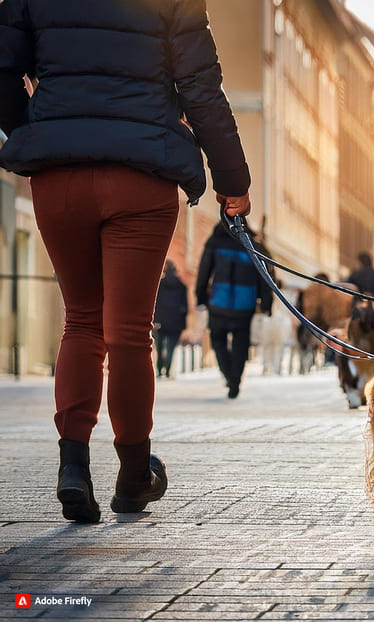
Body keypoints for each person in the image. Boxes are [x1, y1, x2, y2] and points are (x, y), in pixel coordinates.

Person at [0, 0, 252, 523]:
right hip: (142, 170)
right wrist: (233, 182)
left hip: (59, 174)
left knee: (82, 320)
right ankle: (134, 474)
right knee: (129, 331)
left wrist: (35, 128)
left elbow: (2, 68)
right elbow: (201, 89)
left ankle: (74, 468)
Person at [196, 222, 273, 399]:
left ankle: (228, 375)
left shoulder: (214, 243)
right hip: (245, 304)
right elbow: (266, 276)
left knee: (218, 340)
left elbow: (204, 272)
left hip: (219, 302)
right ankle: (235, 379)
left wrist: (201, 297)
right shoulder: (253, 245)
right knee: (241, 342)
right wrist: (266, 303)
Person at [153, 260, 189, 379]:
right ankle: (167, 369)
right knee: (171, 347)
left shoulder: (159, 285)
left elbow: (154, 303)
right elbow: (185, 306)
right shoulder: (182, 285)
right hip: (176, 321)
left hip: (160, 320)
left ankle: (159, 368)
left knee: (159, 345)